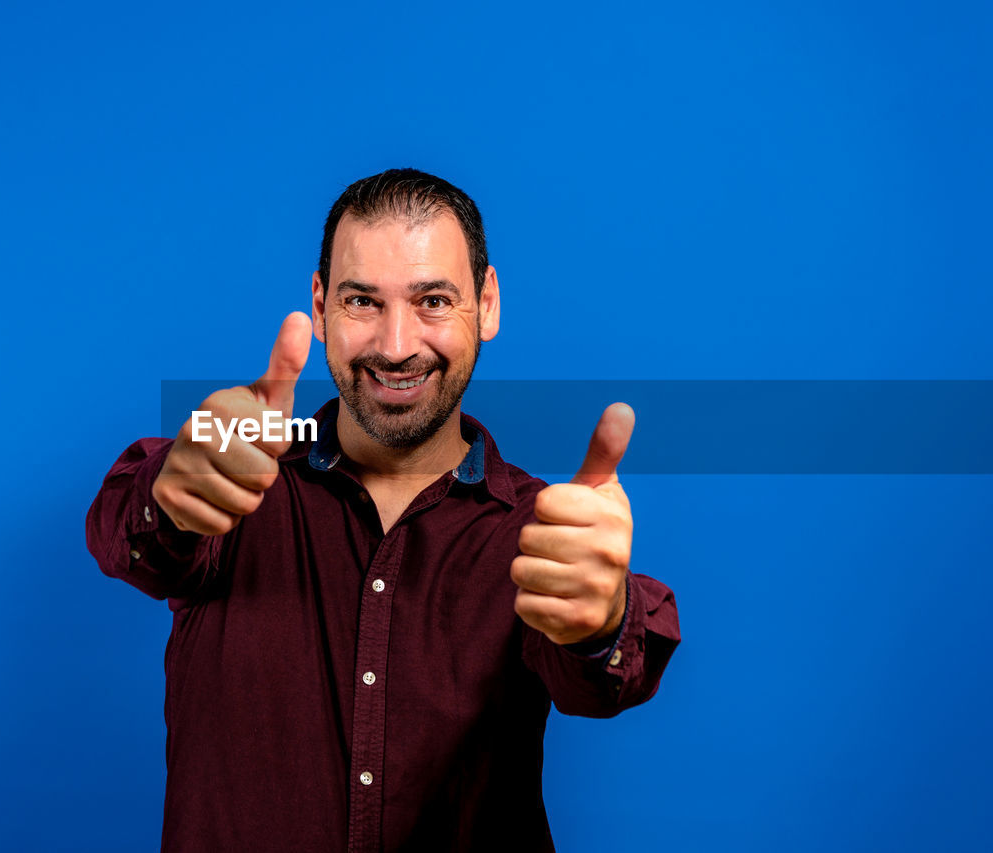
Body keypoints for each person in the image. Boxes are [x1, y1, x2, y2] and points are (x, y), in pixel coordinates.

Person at [85, 168, 681, 852]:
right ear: (320, 304)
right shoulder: (236, 479)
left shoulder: (540, 530)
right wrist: (172, 490)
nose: (396, 345)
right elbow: (123, 530)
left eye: (432, 299)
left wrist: (603, 623)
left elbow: (606, 681)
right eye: (363, 300)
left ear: (487, 304)